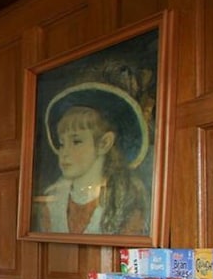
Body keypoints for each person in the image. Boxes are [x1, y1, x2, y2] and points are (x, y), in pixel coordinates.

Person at [34, 82, 150, 236]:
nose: (64, 153)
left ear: (104, 143)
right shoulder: (52, 202)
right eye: (62, 144)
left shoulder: (127, 200)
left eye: (76, 141)